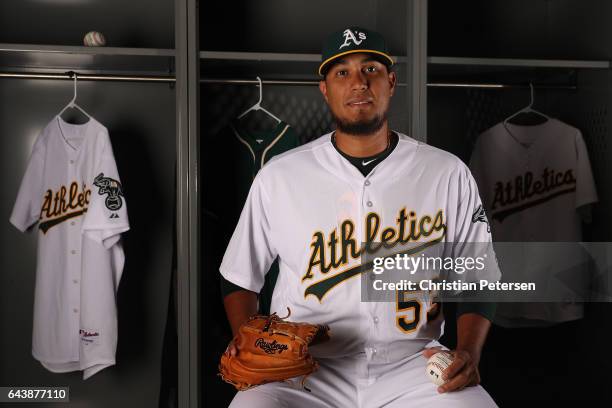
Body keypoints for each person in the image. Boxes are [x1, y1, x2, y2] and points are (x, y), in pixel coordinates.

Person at [220, 27, 500, 407]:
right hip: (304, 366)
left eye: (370, 69)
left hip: (412, 364)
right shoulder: (280, 176)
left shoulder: (446, 172)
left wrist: (469, 351)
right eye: (342, 73)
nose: (358, 83)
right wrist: (249, 341)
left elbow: (478, 276)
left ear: (391, 82)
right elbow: (238, 276)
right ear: (325, 88)